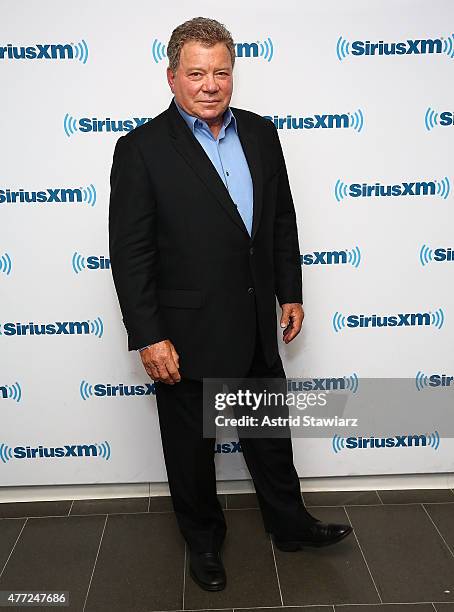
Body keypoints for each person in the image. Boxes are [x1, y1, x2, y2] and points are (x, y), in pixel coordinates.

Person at [108, 16, 352, 592]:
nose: (210, 84)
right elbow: (131, 252)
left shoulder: (263, 135)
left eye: (221, 71)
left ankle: (289, 525)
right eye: (196, 73)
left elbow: (281, 222)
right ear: (172, 77)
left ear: (232, 73)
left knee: (269, 437)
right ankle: (203, 542)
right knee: (192, 452)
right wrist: (148, 335)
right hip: (185, 334)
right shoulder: (140, 149)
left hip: (256, 326)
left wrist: (289, 291)